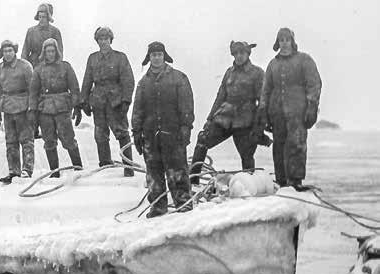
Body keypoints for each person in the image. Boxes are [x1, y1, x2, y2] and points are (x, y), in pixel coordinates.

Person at [190, 41, 271, 184]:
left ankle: (249, 186)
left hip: (245, 121)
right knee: (203, 139)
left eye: (242, 53)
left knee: (247, 156)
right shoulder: (229, 72)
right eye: (236, 53)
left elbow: (263, 103)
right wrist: (209, 120)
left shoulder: (257, 73)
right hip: (224, 119)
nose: (239, 56)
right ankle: (192, 181)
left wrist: (259, 128)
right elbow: (220, 97)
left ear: (248, 54)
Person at [131, 42, 194, 218]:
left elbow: (187, 106)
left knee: (178, 172)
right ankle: (158, 208)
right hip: (151, 137)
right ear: (149, 58)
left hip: (173, 135)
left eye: (159, 54)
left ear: (164, 56)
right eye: (153, 55)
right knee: (154, 175)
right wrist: (136, 132)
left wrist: (185, 128)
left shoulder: (178, 78)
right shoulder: (143, 83)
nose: (156, 58)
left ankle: (184, 205)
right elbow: (138, 109)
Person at [257, 27, 322, 190]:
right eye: (281, 40)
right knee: (279, 145)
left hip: (298, 112)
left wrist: (312, 107)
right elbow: (266, 89)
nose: (284, 43)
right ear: (278, 43)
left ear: (292, 42)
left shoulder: (304, 60)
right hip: (276, 113)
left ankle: (295, 181)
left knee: (296, 144)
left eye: (287, 40)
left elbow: (314, 84)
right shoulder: (273, 64)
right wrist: (263, 112)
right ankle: (281, 181)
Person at [80, 27, 136, 176]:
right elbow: (87, 80)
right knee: (100, 134)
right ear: (97, 41)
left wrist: (126, 101)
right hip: (98, 101)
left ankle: (129, 167)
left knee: (122, 134)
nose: (103, 41)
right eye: (100, 39)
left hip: (115, 102)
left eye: (106, 38)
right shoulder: (92, 58)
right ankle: (105, 165)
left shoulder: (120, 57)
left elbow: (128, 80)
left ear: (111, 40)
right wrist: (84, 100)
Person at [29, 38, 83, 177]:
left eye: (53, 51)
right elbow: (33, 92)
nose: (50, 54)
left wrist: (77, 106)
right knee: (49, 141)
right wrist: (33, 112)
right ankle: (54, 172)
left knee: (68, 139)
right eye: (48, 51)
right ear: (44, 53)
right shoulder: (38, 69)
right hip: (45, 110)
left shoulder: (65, 67)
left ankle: (78, 167)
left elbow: (74, 88)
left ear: (56, 51)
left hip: (62, 108)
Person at [0, 40, 35, 184]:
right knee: (10, 141)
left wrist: (32, 108)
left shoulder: (25, 66)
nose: (8, 53)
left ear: (15, 51)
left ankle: (27, 170)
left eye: (10, 50)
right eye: (5, 51)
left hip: (23, 105)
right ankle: (13, 171)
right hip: (7, 107)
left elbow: (33, 88)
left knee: (26, 140)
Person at [21, 3, 63, 69]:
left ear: (48, 18)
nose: (41, 19)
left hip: (50, 65)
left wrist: (57, 66)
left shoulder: (55, 31)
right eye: (40, 17)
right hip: (34, 65)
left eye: (44, 17)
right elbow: (25, 51)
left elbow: (59, 51)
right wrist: (24, 67)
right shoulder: (31, 31)